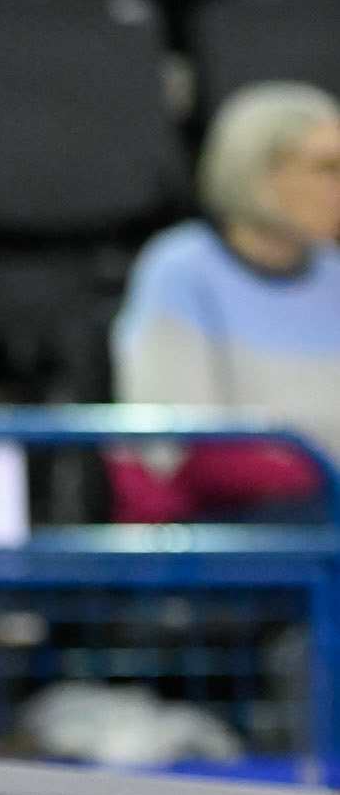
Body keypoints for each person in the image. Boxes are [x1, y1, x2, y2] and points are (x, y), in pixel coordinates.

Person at [109, 82, 340, 522]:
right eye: (327, 168)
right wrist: (312, 471)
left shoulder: (334, 274)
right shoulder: (182, 269)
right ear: (260, 173)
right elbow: (178, 445)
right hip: (226, 528)